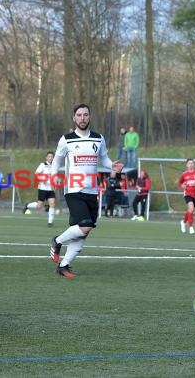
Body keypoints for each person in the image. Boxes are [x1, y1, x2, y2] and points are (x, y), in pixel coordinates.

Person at [49, 103, 122, 278]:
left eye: (85, 115)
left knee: (82, 234)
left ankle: (64, 266)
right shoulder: (66, 139)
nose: (82, 118)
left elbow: (103, 159)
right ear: (74, 118)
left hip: (92, 190)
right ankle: (57, 241)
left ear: (90, 117)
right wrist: (54, 176)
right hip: (73, 189)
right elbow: (57, 161)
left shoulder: (98, 138)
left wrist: (112, 165)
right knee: (85, 225)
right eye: (79, 115)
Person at [23, 151, 58, 227]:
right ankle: (27, 205)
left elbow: (55, 176)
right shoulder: (43, 165)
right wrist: (42, 179)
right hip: (42, 188)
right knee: (39, 206)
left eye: (52, 157)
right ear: (46, 157)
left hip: (51, 189)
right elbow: (36, 174)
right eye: (49, 156)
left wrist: (57, 182)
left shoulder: (54, 166)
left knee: (52, 204)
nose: (50, 158)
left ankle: (50, 222)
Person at [178, 158, 195, 234]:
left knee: (190, 210)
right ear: (186, 165)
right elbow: (180, 183)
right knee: (191, 207)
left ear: (194, 164)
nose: (191, 164)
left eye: (192, 163)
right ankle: (191, 227)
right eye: (189, 163)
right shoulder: (184, 174)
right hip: (187, 194)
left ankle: (183, 222)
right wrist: (182, 185)